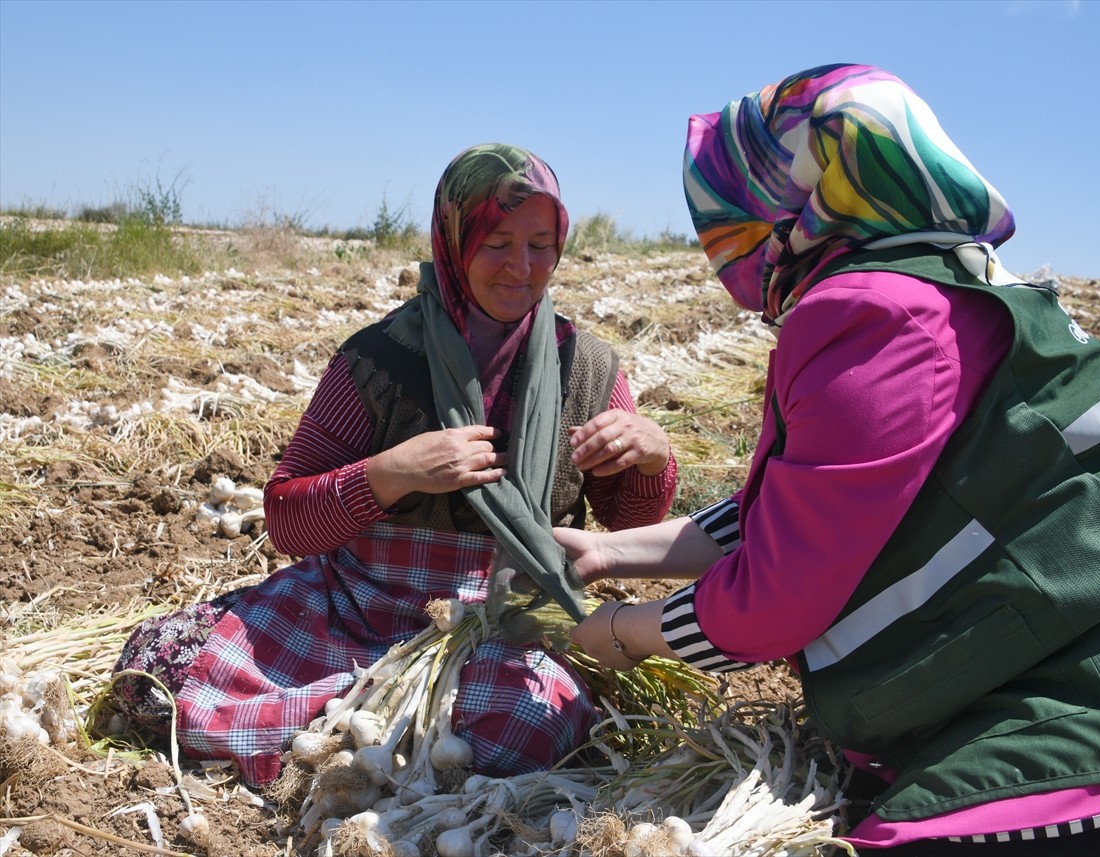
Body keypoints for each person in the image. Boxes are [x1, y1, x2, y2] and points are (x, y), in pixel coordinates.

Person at [561, 64, 1100, 855]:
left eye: (730, 211)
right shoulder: (943, 279)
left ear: (792, 198)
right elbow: (799, 512)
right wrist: (606, 551)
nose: (720, 243)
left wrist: (622, 631)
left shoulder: (872, 315)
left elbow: (775, 599)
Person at [112, 143, 677, 787]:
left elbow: (628, 517)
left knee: (523, 725)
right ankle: (373, 735)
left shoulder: (588, 369)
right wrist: (392, 471)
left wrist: (649, 456)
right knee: (157, 669)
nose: (522, 267)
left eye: (541, 244)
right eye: (497, 242)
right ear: (454, 239)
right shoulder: (379, 361)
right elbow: (288, 521)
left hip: (506, 624)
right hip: (358, 606)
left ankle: (354, 741)